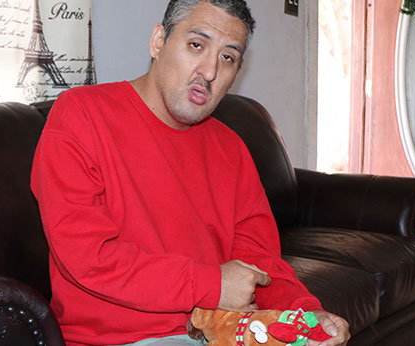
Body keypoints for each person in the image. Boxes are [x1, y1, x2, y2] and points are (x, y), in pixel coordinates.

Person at [30, 1, 350, 345]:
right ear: (158, 42)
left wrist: (304, 313)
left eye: (227, 57)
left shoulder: (232, 148)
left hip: (221, 332)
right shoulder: (80, 116)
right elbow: (89, 258)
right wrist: (213, 286)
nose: (210, 70)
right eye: (197, 45)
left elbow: (259, 261)